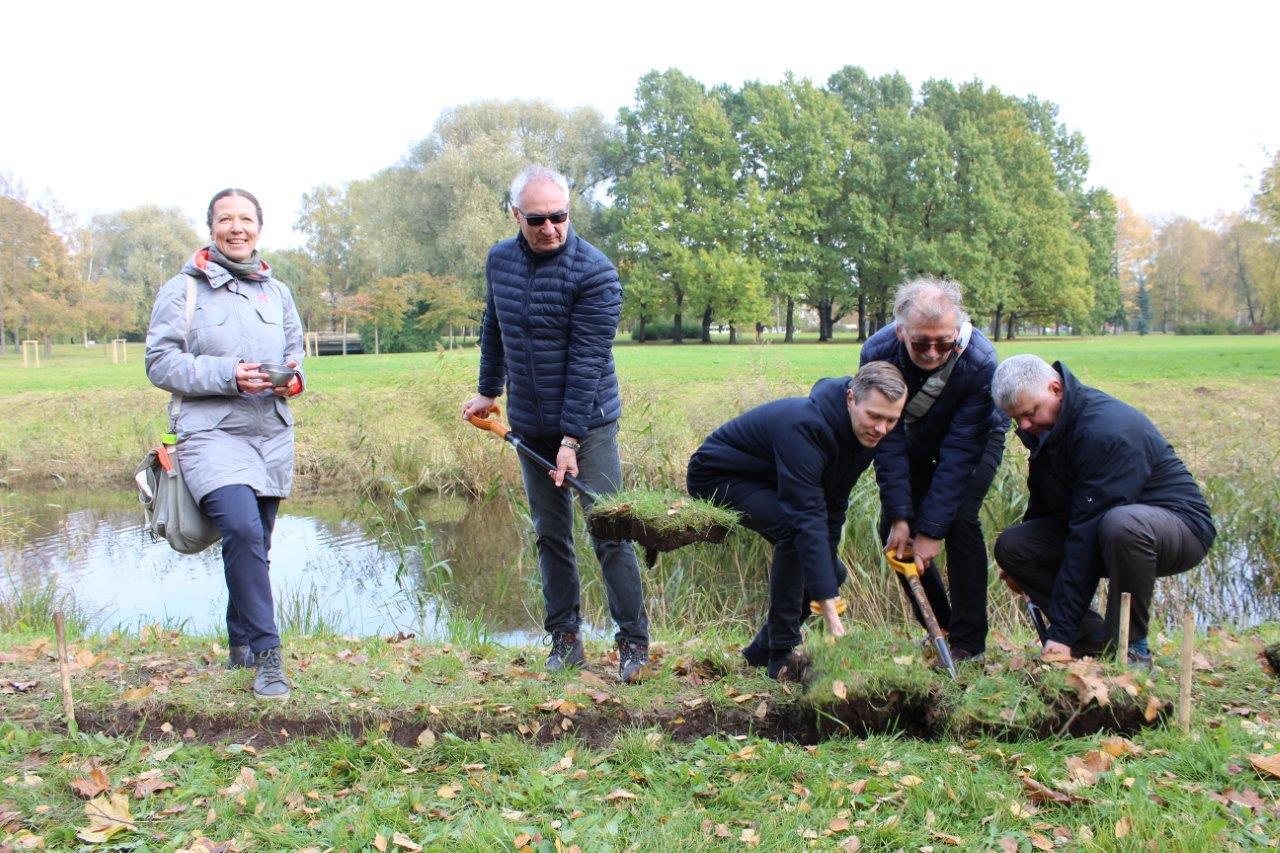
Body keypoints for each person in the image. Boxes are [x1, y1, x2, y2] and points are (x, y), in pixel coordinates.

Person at [460, 165, 649, 683]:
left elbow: (587, 360)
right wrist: (487, 389)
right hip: (528, 421)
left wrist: (570, 439)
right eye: (537, 219)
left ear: (570, 211)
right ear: (516, 215)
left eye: (559, 216)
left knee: (610, 532)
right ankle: (565, 640)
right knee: (550, 533)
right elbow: (494, 326)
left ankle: (633, 643)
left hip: (588, 424)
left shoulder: (596, 273)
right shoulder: (500, 261)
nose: (550, 228)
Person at [145, 188, 304, 699]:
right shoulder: (182, 290)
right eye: (225, 219)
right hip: (209, 432)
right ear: (210, 227)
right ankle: (268, 656)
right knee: (239, 525)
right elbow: (160, 363)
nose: (236, 228)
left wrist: (292, 379)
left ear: (259, 226)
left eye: (246, 219)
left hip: (270, 432)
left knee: (257, 536)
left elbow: (297, 354)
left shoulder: (276, 293)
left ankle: (239, 639)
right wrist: (229, 375)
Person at [686, 362, 908, 679]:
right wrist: (830, 612)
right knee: (794, 532)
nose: (882, 428)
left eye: (892, 420)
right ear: (850, 399)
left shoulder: (865, 435)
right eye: (874, 415)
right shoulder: (805, 426)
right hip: (719, 477)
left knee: (833, 572)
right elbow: (806, 516)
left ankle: (760, 652)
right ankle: (782, 654)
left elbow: (832, 507)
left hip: (769, 480)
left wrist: (827, 583)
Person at [991, 354, 1215, 667]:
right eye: (1017, 419)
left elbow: (1086, 535)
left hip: (1177, 528)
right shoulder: (1049, 428)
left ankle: (1130, 645)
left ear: (1056, 389)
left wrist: (1060, 631)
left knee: (1122, 524)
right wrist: (1023, 563)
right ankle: (1091, 640)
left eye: (1029, 413)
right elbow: (1047, 502)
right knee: (1014, 545)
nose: (1024, 426)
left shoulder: (1104, 431)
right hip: (1106, 527)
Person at [859, 278, 1008, 664]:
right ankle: (940, 630)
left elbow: (960, 454)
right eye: (920, 342)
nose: (931, 351)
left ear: (957, 331)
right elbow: (886, 441)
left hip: (972, 438)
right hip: (913, 435)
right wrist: (903, 519)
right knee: (894, 533)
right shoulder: (878, 352)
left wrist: (932, 531)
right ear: (900, 331)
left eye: (943, 342)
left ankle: (970, 642)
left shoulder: (979, 361)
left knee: (957, 518)